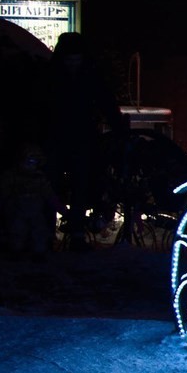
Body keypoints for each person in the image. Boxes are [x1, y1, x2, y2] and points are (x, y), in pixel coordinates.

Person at [43, 32, 124, 250]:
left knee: (78, 183)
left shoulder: (80, 76)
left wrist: (117, 125)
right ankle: (51, 232)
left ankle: (75, 231)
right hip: (63, 137)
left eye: (76, 60)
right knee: (55, 183)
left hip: (77, 137)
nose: (73, 64)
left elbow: (106, 102)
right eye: (70, 60)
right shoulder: (58, 76)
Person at [0, 142, 61, 261]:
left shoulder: (39, 178)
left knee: (39, 232)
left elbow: (49, 195)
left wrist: (61, 209)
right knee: (16, 231)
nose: (31, 165)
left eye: (34, 162)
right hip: (17, 211)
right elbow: (3, 192)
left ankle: (38, 252)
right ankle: (16, 251)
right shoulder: (12, 176)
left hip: (35, 213)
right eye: (28, 161)